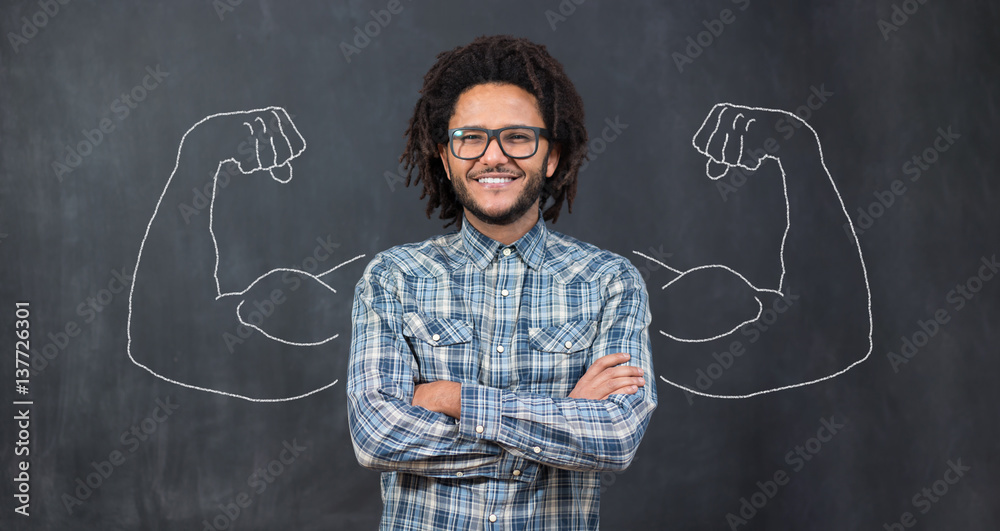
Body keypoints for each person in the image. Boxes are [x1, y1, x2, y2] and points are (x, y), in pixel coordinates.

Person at [347, 35, 657, 530]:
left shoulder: (610, 282)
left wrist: (450, 398)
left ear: (550, 156)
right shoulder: (393, 278)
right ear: (446, 158)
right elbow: (377, 435)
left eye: (517, 136)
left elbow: (616, 436)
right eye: (471, 137)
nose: (494, 156)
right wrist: (565, 418)